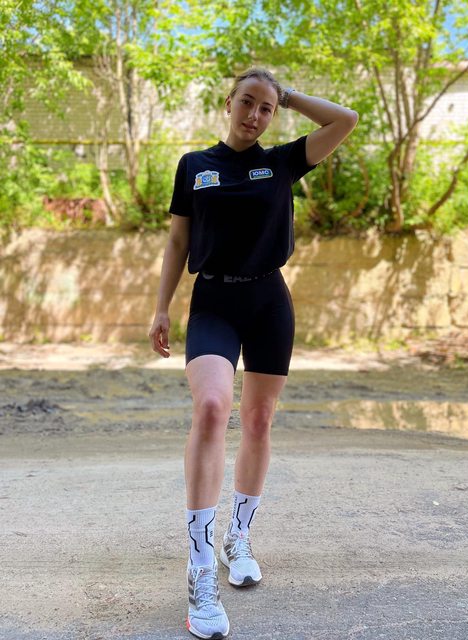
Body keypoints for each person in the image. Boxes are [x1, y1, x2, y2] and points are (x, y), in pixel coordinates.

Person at [149, 67, 358, 640]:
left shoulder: (284, 162)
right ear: (229, 103)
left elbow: (345, 120)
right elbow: (178, 239)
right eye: (247, 102)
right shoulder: (195, 165)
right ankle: (199, 567)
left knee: (259, 420)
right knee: (212, 407)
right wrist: (162, 307)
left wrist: (287, 95)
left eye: (266, 108)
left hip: (269, 302)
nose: (255, 115)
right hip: (213, 301)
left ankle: (238, 538)